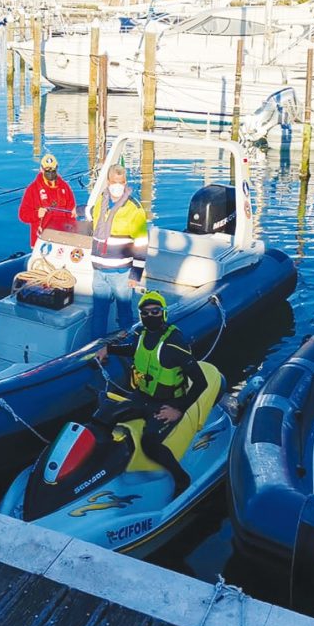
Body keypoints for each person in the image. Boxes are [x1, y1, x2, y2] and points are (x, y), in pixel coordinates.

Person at [101, 291, 207, 498]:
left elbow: (200, 382)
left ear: (163, 313)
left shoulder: (174, 343)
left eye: (155, 311)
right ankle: (102, 466)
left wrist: (178, 409)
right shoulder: (141, 335)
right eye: (145, 312)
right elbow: (133, 350)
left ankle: (181, 479)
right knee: (106, 415)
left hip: (167, 403)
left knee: (149, 441)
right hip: (142, 396)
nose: (150, 316)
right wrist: (109, 349)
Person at [91, 163, 148, 338]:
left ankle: (129, 344)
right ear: (108, 181)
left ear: (125, 183)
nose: (117, 185)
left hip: (121, 272)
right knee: (98, 313)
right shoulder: (102, 200)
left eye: (121, 182)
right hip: (99, 270)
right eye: (114, 181)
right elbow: (94, 215)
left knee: (124, 313)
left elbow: (141, 242)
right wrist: (77, 210)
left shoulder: (134, 208)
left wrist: (136, 274)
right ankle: (97, 348)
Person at [19, 153, 76, 247]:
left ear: (57, 168)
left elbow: (71, 215)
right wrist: (36, 214)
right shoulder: (32, 189)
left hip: (61, 240)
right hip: (41, 241)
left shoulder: (65, 188)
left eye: (53, 169)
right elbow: (23, 215)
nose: (50, 172)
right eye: (47, 169)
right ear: (41, 169)